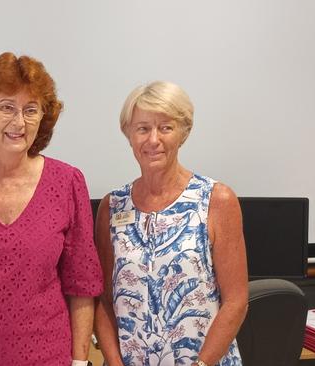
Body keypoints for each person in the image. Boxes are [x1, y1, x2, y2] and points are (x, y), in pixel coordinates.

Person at [0, 52, 103, 366]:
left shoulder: (67, 182)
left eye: (31, 110)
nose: (19, 122)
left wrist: (79, 362)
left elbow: (82, 283)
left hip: (45, 355)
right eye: (7, 107)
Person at [94, 81, 248, 366]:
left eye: (165, 127)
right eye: (142, 128)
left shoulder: (216, 200)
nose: (153, 140)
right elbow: (102, 301)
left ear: (183, 132)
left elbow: (236, 301)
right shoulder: (112, 207)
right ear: (128, 134)